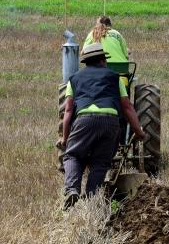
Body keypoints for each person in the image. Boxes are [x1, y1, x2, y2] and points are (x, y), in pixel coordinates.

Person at [60, 43, 144, 210]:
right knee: (101, 162)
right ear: (102, 60)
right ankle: (91, 196)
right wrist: (138, 131)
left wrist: (65, 137)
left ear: (86, 61)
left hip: (84, 120)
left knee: (73, 155)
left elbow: (68, 110)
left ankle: (72, 190)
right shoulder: (115, 77)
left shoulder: (74, 78)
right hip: (110, 120)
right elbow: (127, 107)